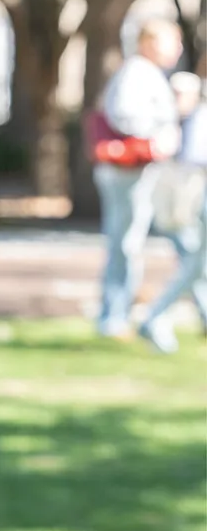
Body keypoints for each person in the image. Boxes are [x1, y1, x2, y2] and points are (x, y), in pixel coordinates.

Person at [92, 17, 183, 339]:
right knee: (125, 242)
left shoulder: (149, 74)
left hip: (141, 171)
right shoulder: (137, 72)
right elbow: (124, 115)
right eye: (172, 40)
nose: (178, 47)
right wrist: (158, 137)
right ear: (150, 42)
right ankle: (113, 317)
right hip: (128, 170)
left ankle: (130, 314)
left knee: (173, 239)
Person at [136, 64, 207, 353]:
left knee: (196, 264)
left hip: (194, 200)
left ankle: (159, 318)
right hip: (176, 205)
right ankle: (154, 318)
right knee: (194, 264)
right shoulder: (164, 121)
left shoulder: (198, 119)